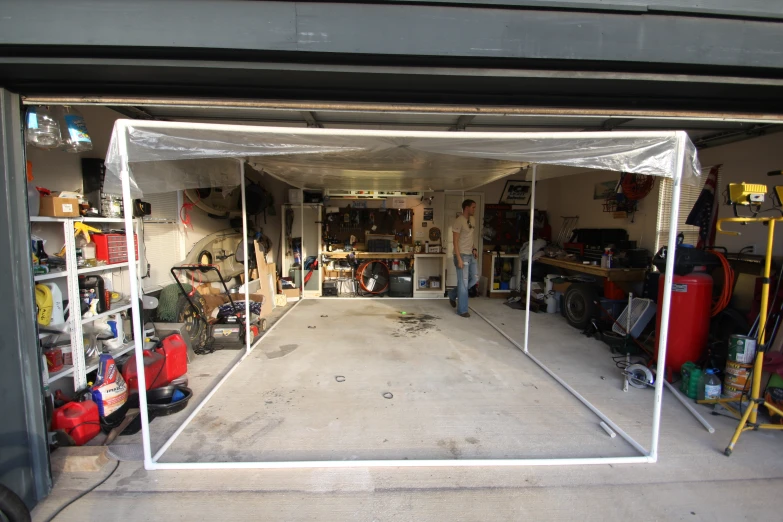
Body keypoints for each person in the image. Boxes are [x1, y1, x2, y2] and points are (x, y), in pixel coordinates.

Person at [448, 199, 478, 317]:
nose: (474, 209)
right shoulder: (458, 221)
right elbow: (455, 242)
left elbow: (470, 238)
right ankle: (462, 310)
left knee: (475, 278)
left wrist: (474, 248)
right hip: (461, 255)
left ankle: (452, 294)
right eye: (473, 207)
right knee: (464, 283)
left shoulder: (472, 220)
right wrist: (459, 258)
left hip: (471, 254)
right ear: (466, 208)